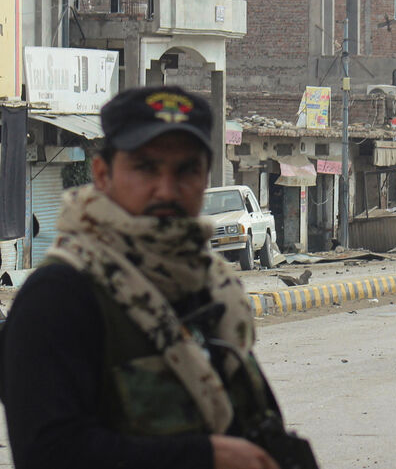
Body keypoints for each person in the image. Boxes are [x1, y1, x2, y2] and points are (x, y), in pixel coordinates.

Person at [1, 87, 308, 469]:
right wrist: (205, 458)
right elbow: (48, 454)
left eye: (186, 170)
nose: (166, 189)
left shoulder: (210, 289)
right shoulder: (60, 297)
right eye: (145, 167)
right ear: (102, 174)